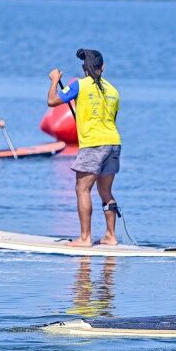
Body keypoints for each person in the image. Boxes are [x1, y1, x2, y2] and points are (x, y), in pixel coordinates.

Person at [47, 49, 122, 247]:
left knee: (82, 189)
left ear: (84, 67)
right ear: (102, 67)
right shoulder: (113, 90)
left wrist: (55, 80)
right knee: (105, 191)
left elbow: (52, 101)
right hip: (113, 143)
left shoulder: (78, 85)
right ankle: (111, 236)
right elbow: (112, 119)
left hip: (93, 144)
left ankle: (85, 238)